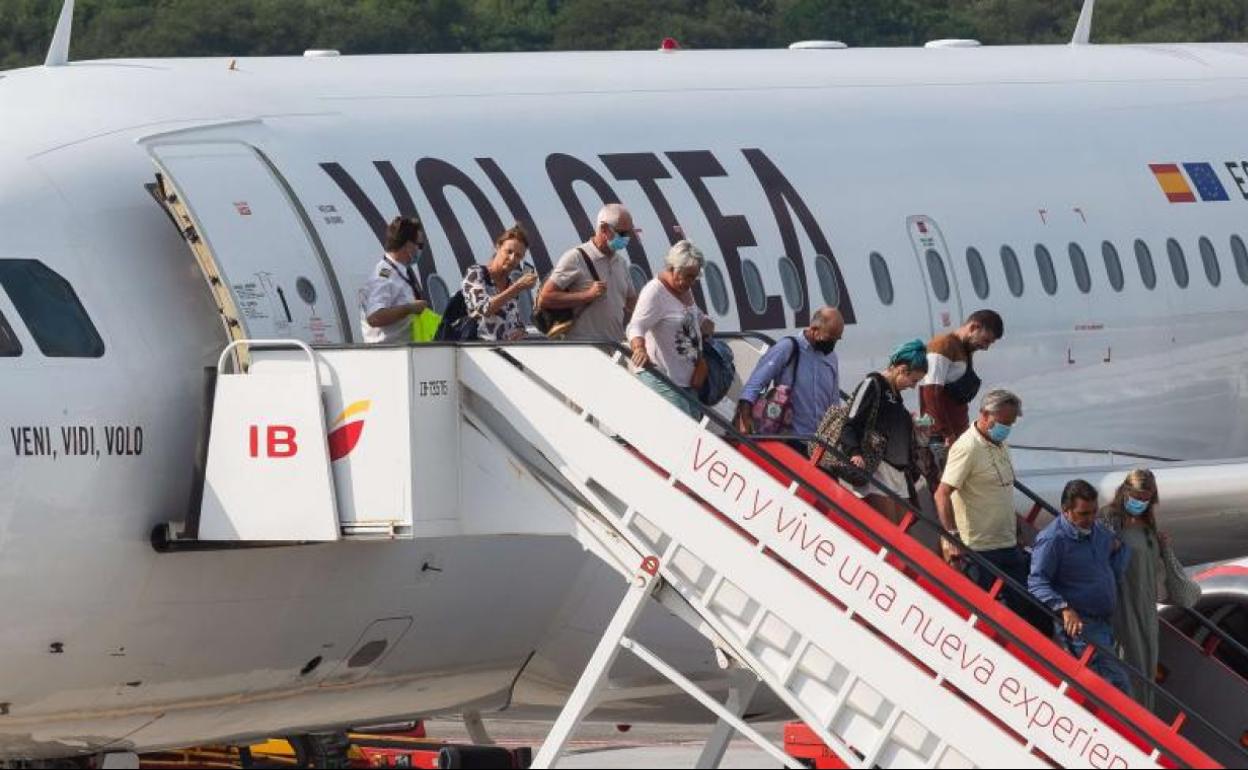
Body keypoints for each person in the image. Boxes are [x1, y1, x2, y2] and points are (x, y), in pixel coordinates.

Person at [935, 389, 1046, 630]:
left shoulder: (1001, 444)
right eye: (1003, 423)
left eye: (1011, 423)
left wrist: (1016, 531)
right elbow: (942, 494)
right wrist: (951, 537)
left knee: (1025, 613)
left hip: (1007, 545)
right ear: (985, 415)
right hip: (979, 550)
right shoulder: (967, 448)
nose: (1006, 428)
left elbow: (1004, 491)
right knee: (988, 619)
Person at [1030, 479, 1133, 694]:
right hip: (1082, 628)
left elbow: (1115, 550)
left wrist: (1118, 555)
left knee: (1115, 683)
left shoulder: (1097, 531)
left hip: (1104, 623)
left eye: (1094, 512)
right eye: (1084, 514)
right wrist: (1064, 608)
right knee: (1117, 687)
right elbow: (1037, 582)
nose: (1091, 519)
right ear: (1066, 511)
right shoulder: (1053, 540)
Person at [838, 339, 928, 523]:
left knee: (902, 530)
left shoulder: (895, 395)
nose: (913, 386)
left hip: (898, 474)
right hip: (878, 469)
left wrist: (916, 430)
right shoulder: (873, 384)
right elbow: (850, 423)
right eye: (913, 380)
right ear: (901, 369)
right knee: (888, 531)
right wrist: (854, 452)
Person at [1099, 469, 1166, 710]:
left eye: (1145, 498)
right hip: (1121, 604)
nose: (1139, 502)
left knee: (1145, 667)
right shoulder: (1110, 518)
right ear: (1125, 492)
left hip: (1145, 608)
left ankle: (1142, 716)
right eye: (1136, 496)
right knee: (1126, 661)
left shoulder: (1148, 526)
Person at [627, 241, 714, 419]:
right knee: (684, 426)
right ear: (673, 267)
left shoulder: (684, 290)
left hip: (687, 379)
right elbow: (635, 325)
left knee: (695, 425)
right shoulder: (654, 292)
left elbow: (691, 315)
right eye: (688, 276)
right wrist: (639, 348)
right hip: (661, 375)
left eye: (694, 278)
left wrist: (705, 322)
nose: (691, 283)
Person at [733, 308, 846, 437]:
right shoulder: (787, 347)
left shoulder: (831, 358)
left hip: (817, 444)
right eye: (830, 338)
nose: (833, 344)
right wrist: (744, 424)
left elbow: (834, 402)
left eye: (837, 339)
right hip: (790, 439)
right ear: (814, 329)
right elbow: (754, 385)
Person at [537, 203, 638, 341]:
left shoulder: (621, 263)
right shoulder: (576, 257)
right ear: (603, 229)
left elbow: (631, 302)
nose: (626, 238)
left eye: (629, 233)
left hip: (615, 346)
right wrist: (586, 296)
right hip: (584, 348)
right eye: (622, 233)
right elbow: (545, 298)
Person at [920, 310, 1004, 465]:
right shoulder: (943, 345)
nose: (985, 347)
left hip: (956, 434)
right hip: (942, 438)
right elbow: (930, 393)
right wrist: (946, 433)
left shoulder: (964, 350)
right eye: (985, 340)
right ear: (974, 327)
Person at [462, 225, 538, 342]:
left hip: (505, 351)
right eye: (509, 252)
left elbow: (514, 321)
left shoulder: (510, 284)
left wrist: (521, 331)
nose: (512, 258)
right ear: (498, 247)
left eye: (518, 256)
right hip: (478, 349)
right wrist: (517, 287)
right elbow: (485, 308)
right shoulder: (476, 273)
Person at [360, 216, 429, 344]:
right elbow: (374, 317)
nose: (420, 250)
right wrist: (408, 308)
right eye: (420, 245)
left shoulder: (402, 272)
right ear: (408, 245)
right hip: (388, 356)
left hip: (407, 353)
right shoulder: (383, 276)